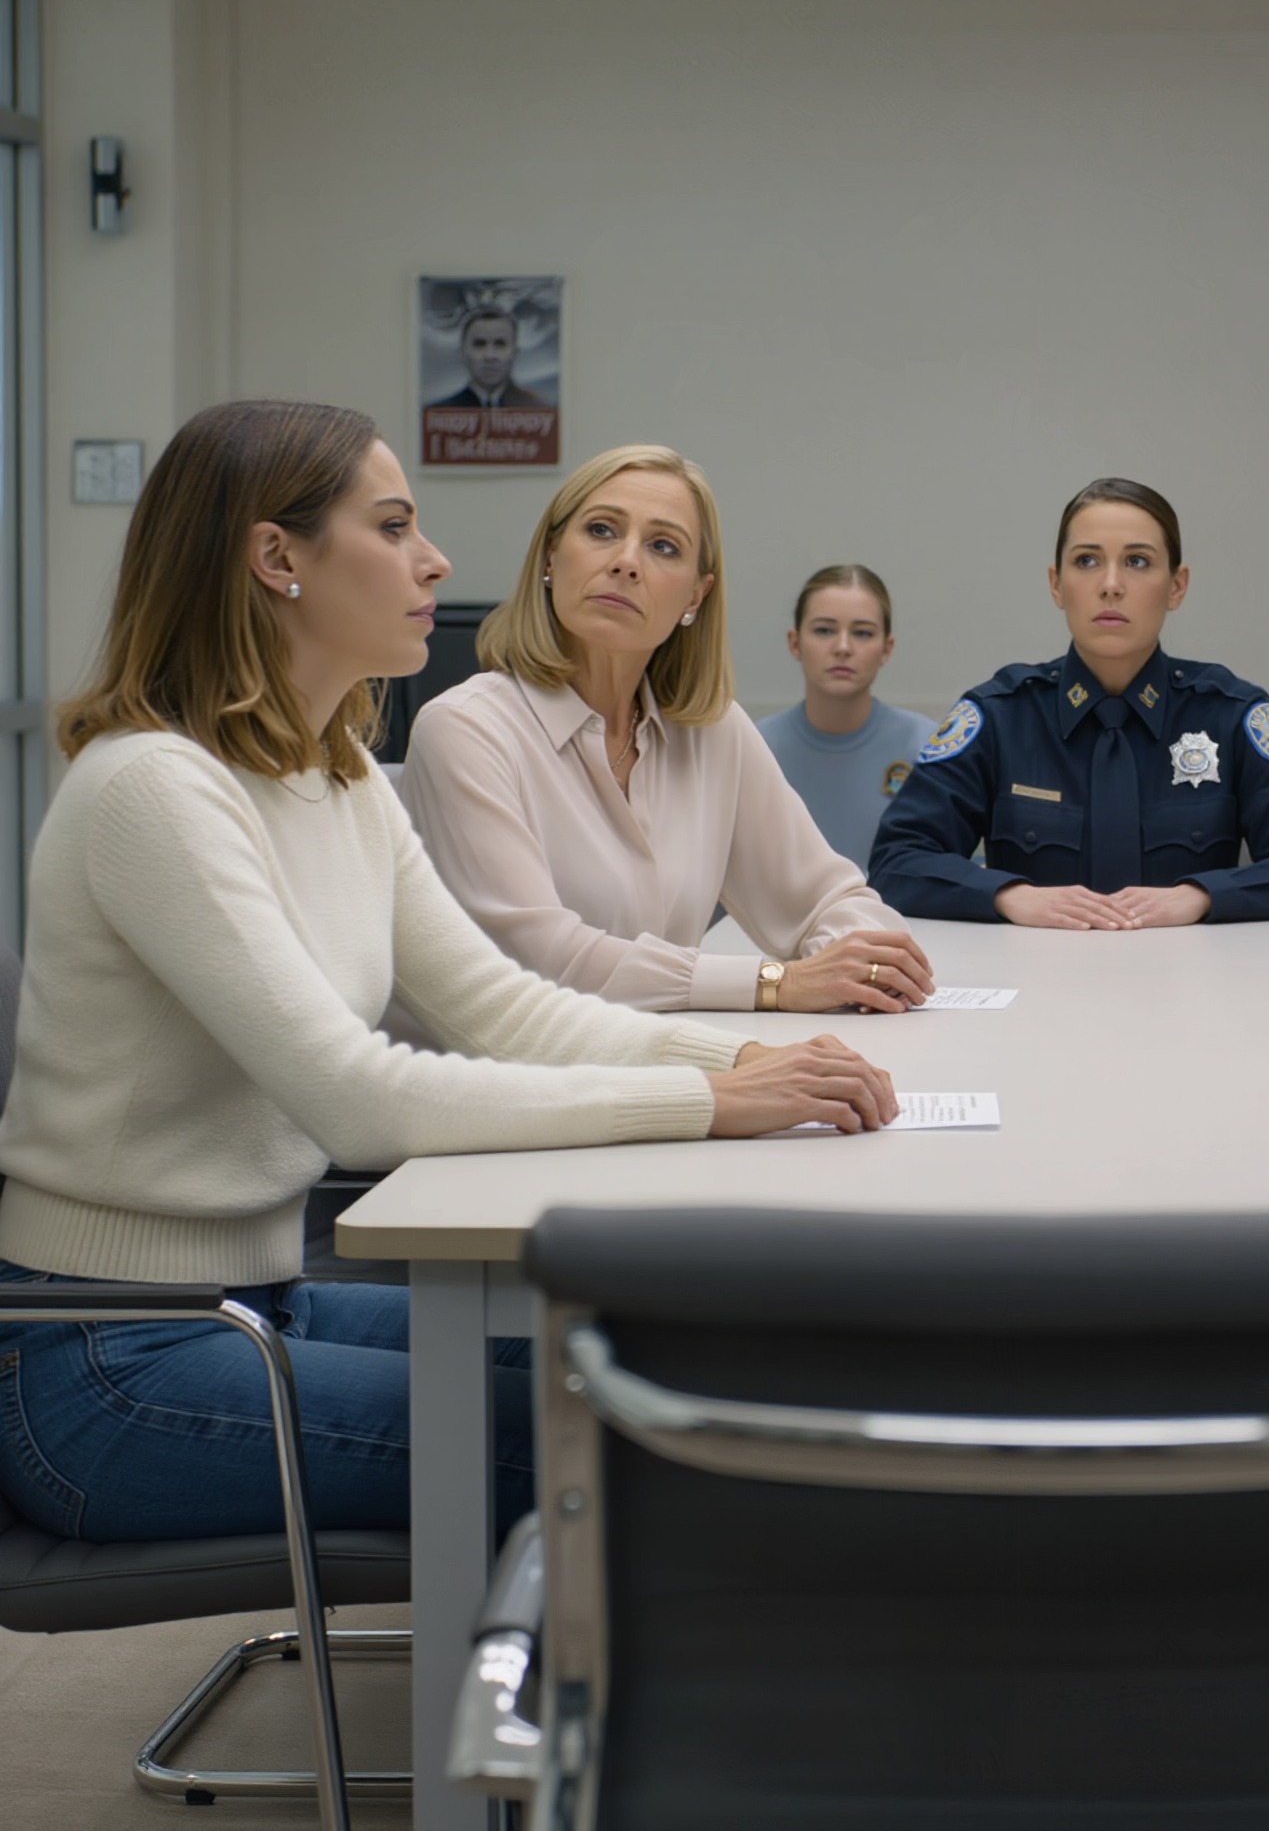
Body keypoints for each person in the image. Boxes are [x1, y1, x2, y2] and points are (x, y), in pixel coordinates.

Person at [0, 401, 896, 1544]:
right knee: (627, 1437)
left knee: (665, 1365)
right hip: (100, 1359)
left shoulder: (338, 774)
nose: (436, 560)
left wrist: (750, 1065)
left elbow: (500, 1007)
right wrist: (708, 1097)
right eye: (393, 527)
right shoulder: (153, 789)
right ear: (276, 557)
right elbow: (358, 1097)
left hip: (254, 1304)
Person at [402, 445, 934, 1012]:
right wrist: (777, 983)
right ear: (551, 556)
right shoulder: (464, 729)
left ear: (695, 596)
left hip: (658, 1053)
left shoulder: (711, 730)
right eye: (601, 530)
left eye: (663, 546)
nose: (627, 562)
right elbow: (542, 961)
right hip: (508, 1064)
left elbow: (826, 897)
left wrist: (865, 964)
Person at [869, 477, 1269, 926]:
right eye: (1087, 561)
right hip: (1034, 977)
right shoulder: (1001, 716)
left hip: (1192, 980)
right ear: (1056, 584)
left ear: (1177, 586)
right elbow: (896, 863)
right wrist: (1010, 896)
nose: (1111, 584)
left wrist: (1201, 896)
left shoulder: (1230, 715)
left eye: (1137, 561)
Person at [758, 564, 933, 872]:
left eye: (862, 633)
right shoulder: (755, 750)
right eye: (824, 630)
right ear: (795, 643)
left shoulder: (925, 748)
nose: (843, 648)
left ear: (886, 649)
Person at [430, 305, 551, 409]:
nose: (490, 355)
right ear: (462, 353)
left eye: (500, 344)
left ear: (515, 353)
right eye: (479, 344)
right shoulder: (440, 412)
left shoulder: (540, 409)